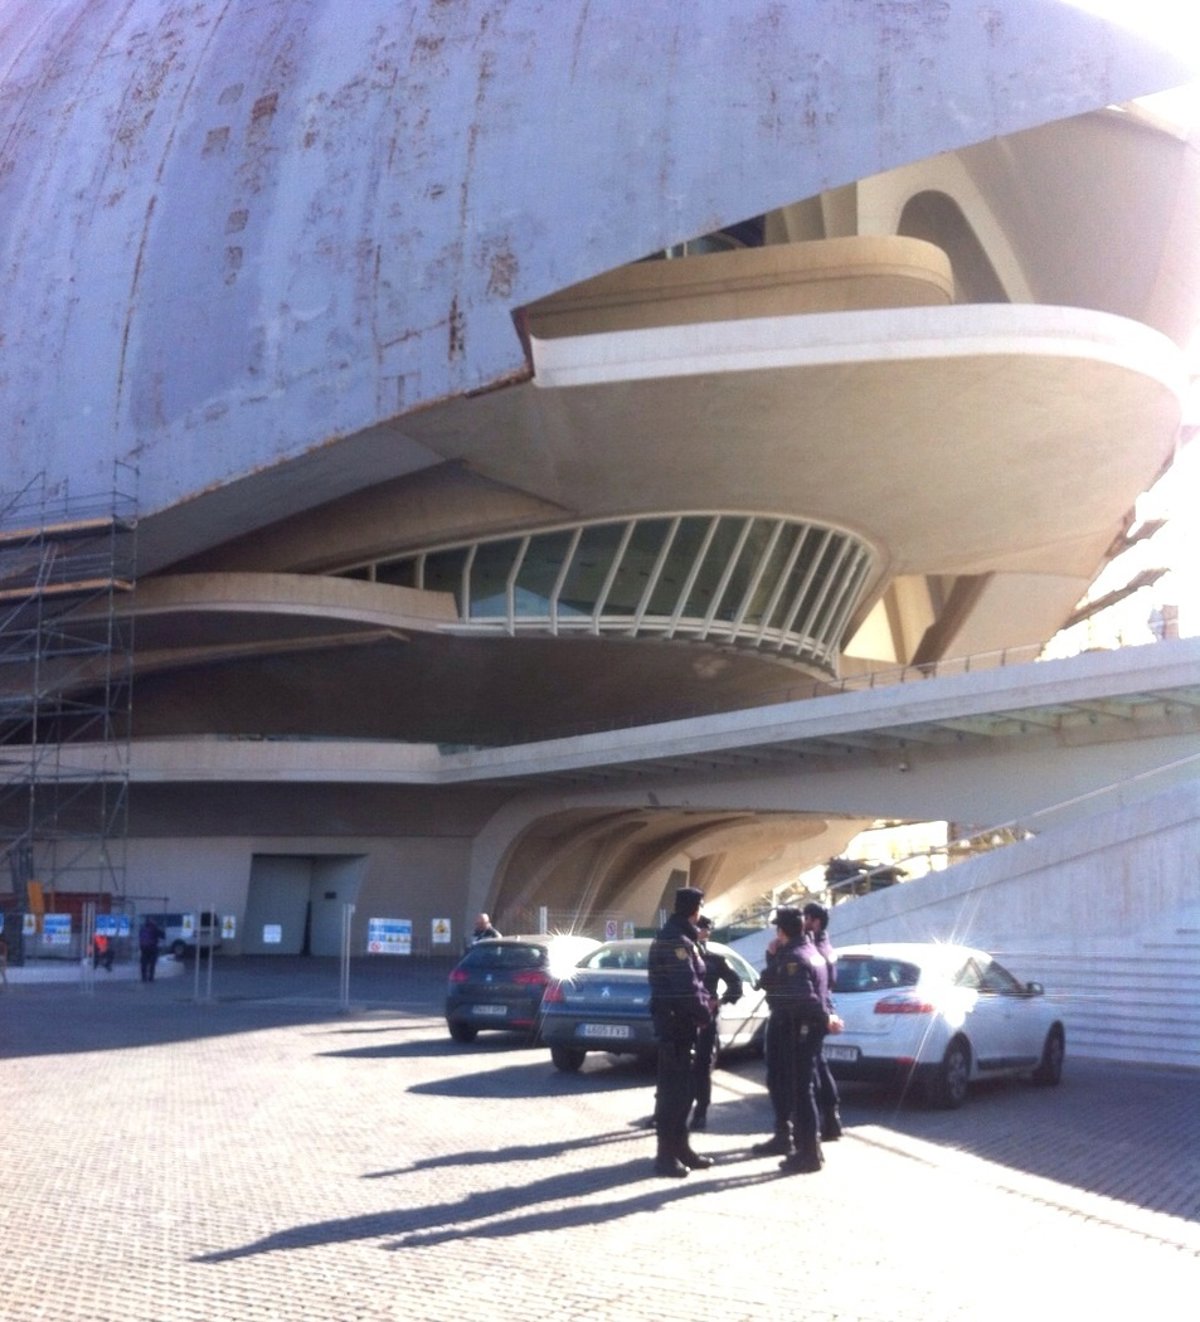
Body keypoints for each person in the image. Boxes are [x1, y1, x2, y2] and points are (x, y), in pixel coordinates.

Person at [647, 886, 714, 1178]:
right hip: (675, 1025)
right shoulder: (676, 940)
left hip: (681, 1024)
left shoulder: (683, 937)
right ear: (695, 909)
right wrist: (704, 1013)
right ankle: (666, 1156)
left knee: (683, 1092)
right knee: (673, 1094)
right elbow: (686, 986)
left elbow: (693, 983)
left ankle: (681, 1148)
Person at [688, 915, 743, 1132]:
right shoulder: (682, 954)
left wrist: (719, 1001)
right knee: (676, 1066)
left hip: (705, 1019)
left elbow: (736, 984)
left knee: (702, 1066)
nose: (703, 932)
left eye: (704, 929)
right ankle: (666, 1112)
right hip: (685, 1016)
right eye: (700, 928)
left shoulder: (715, 960)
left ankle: (700, 1112)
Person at [804, 901, 843, 1141]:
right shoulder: (825, 946)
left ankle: (826, 1119)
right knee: (820, 1063)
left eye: (806, 918)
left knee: (815, 1067)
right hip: (824, 1009)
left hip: (817, 1012)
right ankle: (831, 1119)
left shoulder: (816, 948)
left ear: (815, 922)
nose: (803, 923)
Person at [138, 915, 165, 983]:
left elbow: (140, 937)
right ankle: (151, 977)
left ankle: (144, 977)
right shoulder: (154, 928)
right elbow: (163, 936)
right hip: (153, 948)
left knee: (144, 964)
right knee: (152, 964)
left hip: (144, 948)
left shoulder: (143, 928)